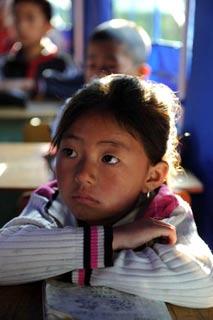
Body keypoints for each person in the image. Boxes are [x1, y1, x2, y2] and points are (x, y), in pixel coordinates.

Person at [0, 74, 213, 308]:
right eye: (70, 152)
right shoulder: (52, 200)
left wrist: (61, 267)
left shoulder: (164, 213)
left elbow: (204, 284)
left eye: (109, 158)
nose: (82, 175)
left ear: (152, 176)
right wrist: (115, 239)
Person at [44, 18, 152, 101]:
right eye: (91, 65)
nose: (98, 75)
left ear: (141, 73)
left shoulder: (149, 118)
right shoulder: (77, 110)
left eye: (110, 67)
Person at [0, 0, 71, 99]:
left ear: (47, 26)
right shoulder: (5, 63)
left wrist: (33, 86)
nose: (22, 26)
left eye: (30, 18)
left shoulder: (62, 63)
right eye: (16, 18)